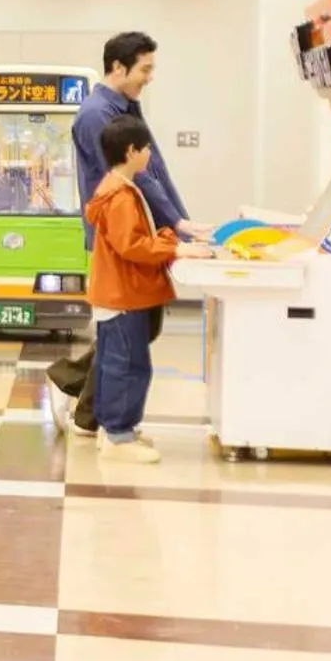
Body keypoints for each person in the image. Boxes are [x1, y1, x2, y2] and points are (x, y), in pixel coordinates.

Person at [48, 32, 208, 438]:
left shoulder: (125, 107)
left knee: (135, 331)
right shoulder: (97, 115)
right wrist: (177, 236)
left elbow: (156, 173)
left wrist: (179, 223)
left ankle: (76, 390)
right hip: (122, 239)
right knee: (126, 335)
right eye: (145, 69)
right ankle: (95, 412)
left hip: (143, 233)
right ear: (118, 68)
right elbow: (133, 179)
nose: (150, 77)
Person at [83, 114, 214, 463]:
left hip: (118, 293)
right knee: (128, 365)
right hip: (123, 294)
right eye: (146, 149)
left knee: (118, 362)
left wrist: (169, 240)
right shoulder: (121, 196)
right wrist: (175, 248)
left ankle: (114, 429)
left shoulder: (117, 187)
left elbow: (133, 241)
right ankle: (118, 436)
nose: (150, 155)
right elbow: (133, 246)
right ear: (131, 151)